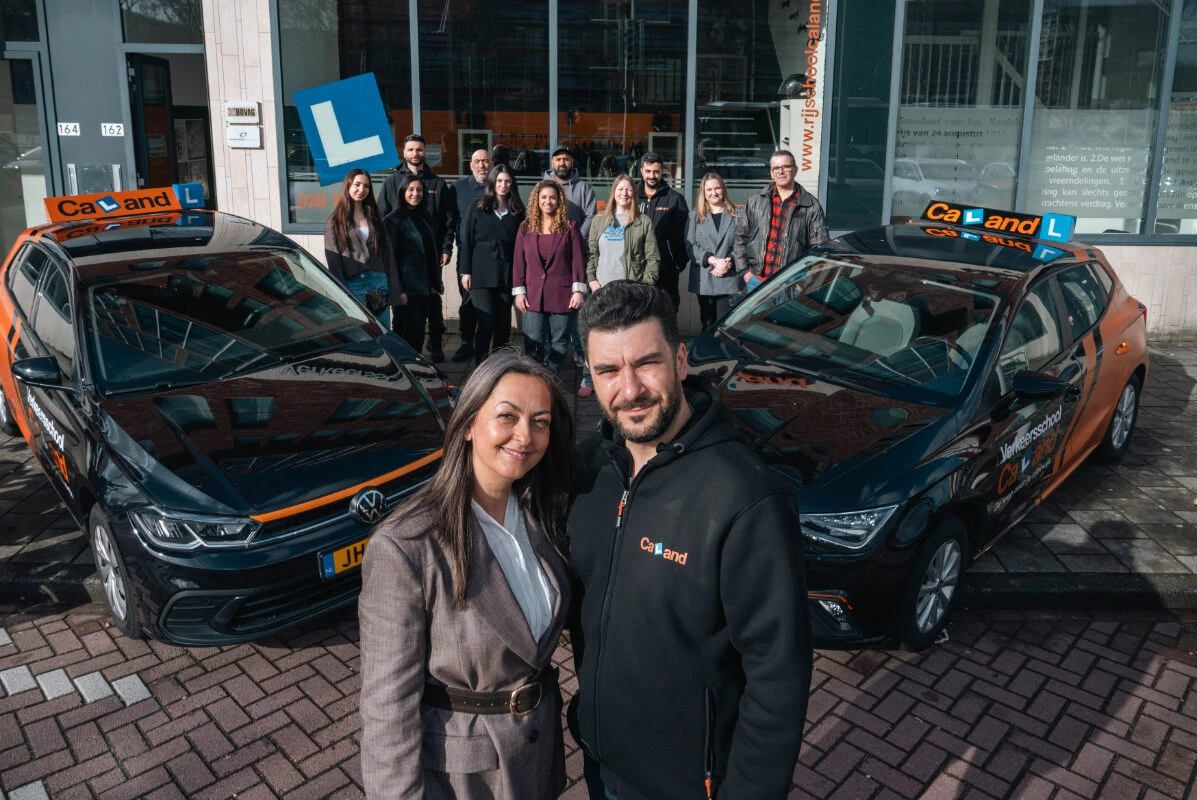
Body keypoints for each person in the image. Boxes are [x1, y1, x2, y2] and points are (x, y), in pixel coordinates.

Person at [569, 281, 812, 800]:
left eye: (647, 363)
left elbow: (778, 677)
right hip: (601, 767)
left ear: (680, 361)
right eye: (608, 370)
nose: (629, 389)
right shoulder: (590, 473)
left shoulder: (744, 497)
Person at [359, 349, 576, 800]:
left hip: (537, 761)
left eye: (541, 421)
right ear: (469, 425)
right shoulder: (406, 547)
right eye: (508, 416)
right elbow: (387, 709)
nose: (525, 435)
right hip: (463, 780)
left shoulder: (543, 514)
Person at [379, 134, 458, 361]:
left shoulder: (437, 183)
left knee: (432, 309)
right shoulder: (391, 183)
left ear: (425, 153)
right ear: (404, 153)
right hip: (404, 267)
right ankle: (404, 358)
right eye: (411, 149)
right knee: (405, 320)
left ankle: (435, 346)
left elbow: (447, 221)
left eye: (420, 150)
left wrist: (445, 249)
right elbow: (383, 220)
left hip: (429, 261)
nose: (415, 153)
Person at [580, 174, 660, 398]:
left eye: (628, 190)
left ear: (634, 194)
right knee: (596, 335)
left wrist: (643, 287)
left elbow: (653, 259)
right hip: (601, 290)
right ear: (613, 193)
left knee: (626, 338)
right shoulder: (599, 220)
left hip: (629, 291)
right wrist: (591, 279)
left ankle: (624, 380)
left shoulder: (642, 221)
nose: (624, 193)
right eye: (620, 189)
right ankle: (589, 377)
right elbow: (591, 254)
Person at [513, 180, 586, 375]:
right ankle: (535, 379)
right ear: (536, 200)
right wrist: (519, 292)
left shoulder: (570, 227)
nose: (548, 201)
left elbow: (578, 259)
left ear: (559, 200)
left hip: (563, 294)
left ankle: (551, 378)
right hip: (533, 294)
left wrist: (578, 290)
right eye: (543, 197)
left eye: (552, 197)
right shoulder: (525, 227)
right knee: (532, 341)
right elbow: (519, 262)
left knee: (560, 343)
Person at [734, 149, 829, 291]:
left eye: (786, 167)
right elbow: (741, 237)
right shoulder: (755, 201)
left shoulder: (811, 206)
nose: (781, 171)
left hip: (791, 284)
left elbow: (819, 249)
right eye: (776, 168)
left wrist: (804, 282)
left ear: (795, 170)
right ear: (772, 173)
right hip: (756, 282)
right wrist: (744, 272)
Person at [323, 169, 405, 330]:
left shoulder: (374, 216)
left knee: (382, 330)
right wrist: (342, 294)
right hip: (354, 284)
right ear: (348, 186)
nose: (362, 190)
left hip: (379, 281)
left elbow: (388, 255)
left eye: (366, 186)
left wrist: (396, 288)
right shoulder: (334, 220)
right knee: (361, 331)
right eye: (357, 185)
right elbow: (334, 263)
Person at [460, 164, 525, 365]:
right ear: (492, 182)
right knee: (486, 322)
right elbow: (466, 240)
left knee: (503, 324)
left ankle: (499, 365)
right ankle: (481, 365)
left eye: (507, 181)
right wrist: (465, 271)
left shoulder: (517, 210)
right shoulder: (478, 206)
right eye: (499, 181)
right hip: (481, 273)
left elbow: (522, 244)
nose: (503, 185)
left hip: (506, 273)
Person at [385, 172, 439, 356]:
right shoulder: (393, 220)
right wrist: (399, 289)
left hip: (424, 287)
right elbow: (390, 258)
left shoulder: (424, 216)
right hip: (407, 290)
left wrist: (435, 282)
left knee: (417, 334)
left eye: (419, 190)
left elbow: (430, 252)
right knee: (406, 335)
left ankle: (414, 368)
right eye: (411, 189)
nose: (415, 193)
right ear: (402, 191)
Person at [686, 172, 745, 330]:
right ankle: (706, 354)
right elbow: (690, 245)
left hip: (729, 276)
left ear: (723, 189)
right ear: (703, 193)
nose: (714, 193)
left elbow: (743, 243)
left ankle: (724, 355)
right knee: (707, 324)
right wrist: (713, 260)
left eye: (717, 188)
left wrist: (727, 261)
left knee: (726, 325)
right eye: (709, 189)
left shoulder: (738, 215)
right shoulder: (694, 216)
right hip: (705, 278)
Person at [450, 149, 493, 363]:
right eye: (477, 161)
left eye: (486, 161)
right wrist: (446, 249)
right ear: (471, 165)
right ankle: (467, 341)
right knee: (467, 300)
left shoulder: (498, 187)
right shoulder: (457, 189)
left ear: (491, 163)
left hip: (493, 258)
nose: (482, 165)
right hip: (467, 255)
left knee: (491, 303)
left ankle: (488, 343)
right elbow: (449, 222)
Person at [635, 152, 690, 310]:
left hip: (666, 269)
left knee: (667, 313)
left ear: (661, 172)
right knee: (640, 314)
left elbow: (685, 235)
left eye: (656, 172)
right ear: (641, 171)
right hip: (638, 269)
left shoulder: (675, 199)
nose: (652, 176)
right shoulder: (632, 198)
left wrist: (678, 264)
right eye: (648, 171)